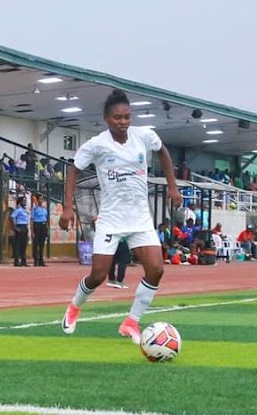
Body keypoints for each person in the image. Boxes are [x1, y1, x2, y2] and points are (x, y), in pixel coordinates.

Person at [59, 89, 181, 343]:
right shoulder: (97, 145)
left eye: (127, 117)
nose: (123, 122)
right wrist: (67, 207)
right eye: (117, 117)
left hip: (140, 218)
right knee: (98, 275)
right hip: (112, 220)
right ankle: (74, 308)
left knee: (156, 269)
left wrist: (172, 186)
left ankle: (131, 322)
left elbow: (163, 152)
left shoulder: (144, 136)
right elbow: (73, 171)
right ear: (106, 118)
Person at [11, 196, 30, 267]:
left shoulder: (24, 210)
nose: (24, 202)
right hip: (20, 226)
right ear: (20, 202)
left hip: (25, 227)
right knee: (18, 245)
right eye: (23, 201)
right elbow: (12, 217)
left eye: (25, 201)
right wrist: (15, 227)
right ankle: (16, 261)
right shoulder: (18, 209)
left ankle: (23, 261)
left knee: (24, 245)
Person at [31, 194, 48, 267]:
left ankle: (41, 260)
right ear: (37, 200)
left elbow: (46, 219)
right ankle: (36, 260)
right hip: (37, 225)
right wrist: (32, 231)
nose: (41, 200)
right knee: (36, 244)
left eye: (42, 199)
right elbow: (32, 220)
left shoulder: (44, 209)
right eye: (40, 199)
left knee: (42, 244)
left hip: (43, 225)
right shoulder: (35, 209)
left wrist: (47, 228)